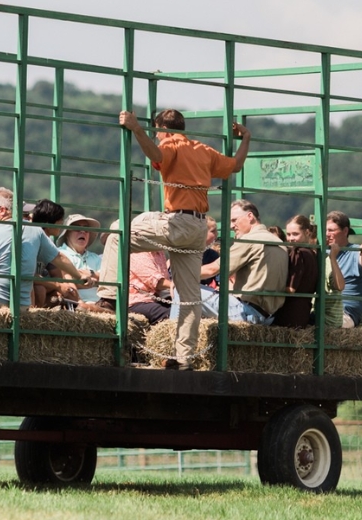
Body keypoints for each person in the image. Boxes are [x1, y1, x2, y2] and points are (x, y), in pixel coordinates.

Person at [100, 109, 251, 369]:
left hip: (178, 223)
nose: (157, 137)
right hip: (198, 228)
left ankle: (108, 298)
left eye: (157, 132)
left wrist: (137, 129)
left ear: (163, 129)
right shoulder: (203, 149)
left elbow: (156, 155)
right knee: (190, 297)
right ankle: (184, 358)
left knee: (117, 234)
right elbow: (236, 165)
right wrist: (246, 137)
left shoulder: (171, 143)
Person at [0, 187, 88, 308]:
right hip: (23, 306)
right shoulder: (36, 231)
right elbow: (58, 257)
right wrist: (80, 276)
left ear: (2, 210)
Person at [196, 200, 288, 324]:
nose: (231, 226)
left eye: (234, 220)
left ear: (250, 216)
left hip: (245, 312)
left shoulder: (249, 239)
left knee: (183, 289)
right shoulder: (279, 243)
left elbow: (213, 269)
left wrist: (182, 275)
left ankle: (174, 336)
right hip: (269, 317)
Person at [325, 210, 362, 327]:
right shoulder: (322, 252)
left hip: (346, 313)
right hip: (324, 309)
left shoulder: (354, 251)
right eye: (325, 230)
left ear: (345, 231)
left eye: (331, 230)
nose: (327, 234)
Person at [272, 214, 319, 328]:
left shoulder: (298, 253)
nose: (291, 238)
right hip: (303, 314)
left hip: (289, 314)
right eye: (288, 234)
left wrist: (269, 286)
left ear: (307, 233)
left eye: (295, 234)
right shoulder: (313, 254)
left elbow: (291, 288)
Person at [55, 214, 102, 305]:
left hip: (99, 303)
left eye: (86, 229)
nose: (83, 231)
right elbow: (63, 281)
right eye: (77, 228)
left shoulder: (96, 258)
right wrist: (95, 279)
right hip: (73, 304)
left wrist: (89, 274)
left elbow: (108, 279)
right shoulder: (59, 254)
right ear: (67, 233)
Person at [200, 216, 220, 289]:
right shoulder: (184, 253)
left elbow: (219, 280)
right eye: (213, 231)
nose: (217, 234)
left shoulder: (212, 255)